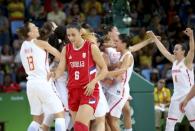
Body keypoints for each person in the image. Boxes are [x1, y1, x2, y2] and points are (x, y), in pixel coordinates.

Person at [48, 22, 108, 131]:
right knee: (78, 128)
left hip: (88, 90)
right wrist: (54, 74)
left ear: (80, 32)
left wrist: (93, 82)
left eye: (73, 35)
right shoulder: (66, 49)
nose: (70, 38)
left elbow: (104, 69)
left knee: (80, 126)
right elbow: (61, 69)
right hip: (72, 91)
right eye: (69, 35)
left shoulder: (91, 47)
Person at [17, 21, 66, 131]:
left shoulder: (22, 47)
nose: (37, 27)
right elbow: (60, 56)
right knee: (60, 114)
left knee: (37, 120)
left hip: (31, 85)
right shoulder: (40, 43)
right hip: (43, 82)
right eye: (34, 27)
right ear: (29, 33)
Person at [148, 28, 195, 131]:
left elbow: (192, 50)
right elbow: (164, 50)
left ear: (183, 51)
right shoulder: (174, 60)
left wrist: (191, 36)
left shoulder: (187, 61)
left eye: (177, 49)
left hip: (189, 96)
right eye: (174, 49)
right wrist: (155, 38)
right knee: (169, 123)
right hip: (176, 97)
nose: (174, 51)